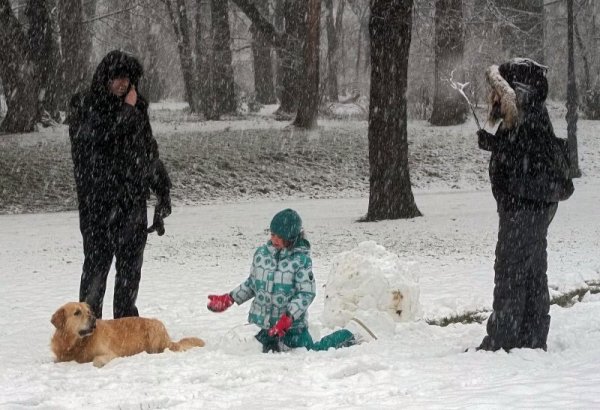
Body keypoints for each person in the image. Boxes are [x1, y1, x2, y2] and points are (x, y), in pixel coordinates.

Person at [476, 58, 574, 352]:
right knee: (530, 271)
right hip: (532, 208)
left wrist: (496, 146)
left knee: (510, 271)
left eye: (498, 91)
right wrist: (496, 144)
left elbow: (521, 160)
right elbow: (522, 153)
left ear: (517, 91)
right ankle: (531, 337)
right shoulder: (529, 115)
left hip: (523, 208)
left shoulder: (526, 116)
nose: (492, 98)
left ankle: (503, 339)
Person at [68, 50, 172, 319]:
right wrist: (127, 111)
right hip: (98, 203)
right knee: (96, 268)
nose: (123, 84)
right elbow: (96, 143)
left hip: (132, 199)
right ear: (105, 78)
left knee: (129, 268)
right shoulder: (85, 106)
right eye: (117, 78)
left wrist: (162, 190)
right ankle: (87, 329)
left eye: (127, 78)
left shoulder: (137, 108)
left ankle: (126, 326)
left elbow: (147, 152)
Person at [207, 209, 374, 353]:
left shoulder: (301, 261)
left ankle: (350, 335)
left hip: (293, 329)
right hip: (263, 326)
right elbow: (253, 283)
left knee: (311, 352)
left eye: (281, 236)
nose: (275, 240)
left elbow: (306, 293)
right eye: (273, 234)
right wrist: (230, 298)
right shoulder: (261, 255)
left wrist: (288, 317)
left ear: (292, 237)